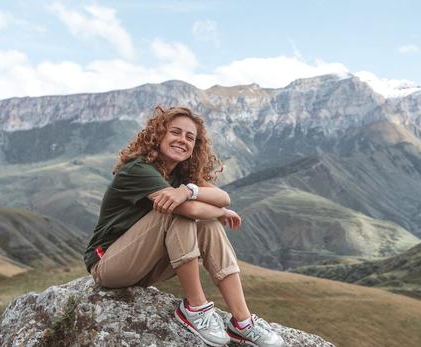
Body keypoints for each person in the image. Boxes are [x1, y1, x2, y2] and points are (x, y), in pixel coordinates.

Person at [83, 106, 285, 347]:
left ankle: (242, 322)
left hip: (145, 266)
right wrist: (219, 212)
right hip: (108, 265)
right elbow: (191, 210)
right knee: (175, 213)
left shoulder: (181, 175)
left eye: (190, 137)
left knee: (207, 224)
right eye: (175, 132)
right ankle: (196, 307)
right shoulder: (138, 169)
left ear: (195, 146)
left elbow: (223, 196)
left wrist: (190, 190)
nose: (182, 140)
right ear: (158, 135)